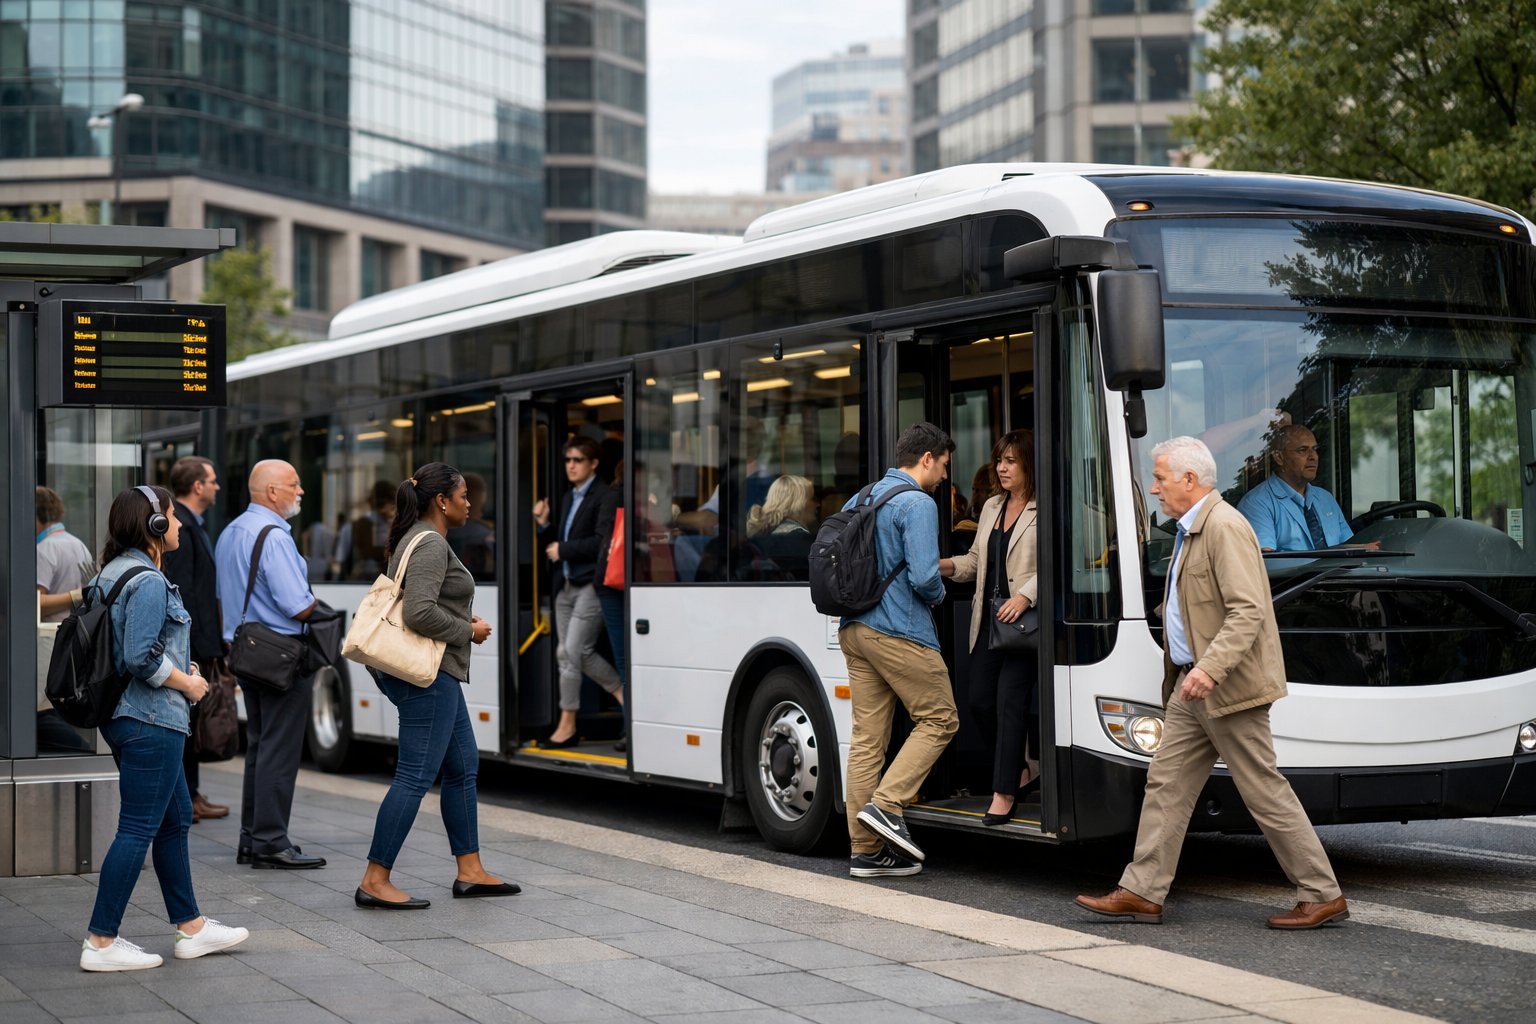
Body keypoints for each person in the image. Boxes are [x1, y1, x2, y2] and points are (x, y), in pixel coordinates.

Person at [1075, 436, 1349, 929]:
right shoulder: (1190, 529)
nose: (1154, 488)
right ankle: (1141, 890)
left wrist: (1209, 668)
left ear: (1188, 480)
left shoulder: (1224, 527)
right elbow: (1203, 599)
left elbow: (1248, 611)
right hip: (1191, 686)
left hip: (1225, 685)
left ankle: (1321, 893)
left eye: (1159, 478)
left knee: (1263, 789)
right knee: (1166, 784)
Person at [79, 485, 249, 971]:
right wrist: (189, 684)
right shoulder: (148, 581)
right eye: (172, 518)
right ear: (154, 526)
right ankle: (101, 941)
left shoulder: (110, 573)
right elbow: (139, 657)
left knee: (174, 821)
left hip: (130, 718)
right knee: (136, 829)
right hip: (151, 718)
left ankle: (190, 928)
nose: (177, 526)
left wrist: (179, 668)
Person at [355, 463, 518, 909]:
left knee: (463, 767)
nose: (470, 502)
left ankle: (470, 870)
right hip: (428, 677)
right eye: (464, 495)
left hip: (437, 675)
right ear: (441, 502)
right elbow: (418, 614)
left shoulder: (422, 539)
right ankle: (375, 878)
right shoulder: (429, 545)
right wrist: (468, 629)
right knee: (414, 775)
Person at [840, 421, 959, 879]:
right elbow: (926, 577)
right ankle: (888, 806)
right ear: (926, 459)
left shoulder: (862, 497)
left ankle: (864, 852)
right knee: (940, 718)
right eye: (944, 465)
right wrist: (938, 598)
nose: (945, 475)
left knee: (868, 740)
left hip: (855, 629)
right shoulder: (917, 503)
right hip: (899, 631)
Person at [215, 460, 325, 869]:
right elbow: (296, 605)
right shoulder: (274, 537)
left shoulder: (231, 531)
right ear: (272, 492)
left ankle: (253, 836)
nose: (300, 492)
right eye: (294, 485)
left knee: (261, 747)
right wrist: (324, 613)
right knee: (279, 750)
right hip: (281, 655)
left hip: (246, 651)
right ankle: (270, 841)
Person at [940, 429, 1039, 826]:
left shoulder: (1043, 506)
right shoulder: (992, 507)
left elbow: (1060, 562)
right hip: (989, 622)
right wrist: (941, 566)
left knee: (1010, 703)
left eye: (1010, 461)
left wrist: (1026, 596)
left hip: (1023, 625)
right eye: (999, 460)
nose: (1001, 468)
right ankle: (1020, 768)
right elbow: (975, 562)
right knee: (980, 702)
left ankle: (1004, 792)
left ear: (1028, 464)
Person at [533, 437, 622, 747]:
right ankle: (567, 723)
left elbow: (601, 542)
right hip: (566, 587)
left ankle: (625, 697)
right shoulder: (570, 497)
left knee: (576, 650)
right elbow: (561, 541)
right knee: (565, 655)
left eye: (578, 460)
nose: (570, 465)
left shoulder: (604, 495)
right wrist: (544, 527)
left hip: (589, 586)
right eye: (568, 459)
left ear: (593, 463)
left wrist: (564, 549)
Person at [160, 457, 228, 824]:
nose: (217, 486)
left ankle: (190, 792)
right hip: (192, 642)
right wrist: (200, 645)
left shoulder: (193, 524)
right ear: (197, 486)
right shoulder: (180, 527)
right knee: (188, 720)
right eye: (212, 481)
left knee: (193, 718)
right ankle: (185, 792)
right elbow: (186, 591)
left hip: (199, 639)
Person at [36, 486, 97, 754]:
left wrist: (73, 596)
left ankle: (76, 751)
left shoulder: (44, 548)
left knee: (45, 709)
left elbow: (34, 604)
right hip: (75, 640)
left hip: (49, 641)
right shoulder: (78, 544)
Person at [1236, 424, 1352, 551]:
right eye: (1303, 450)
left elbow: (1349, 548)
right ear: (1279, 457)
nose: (1313, 456)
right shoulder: (1256, 503)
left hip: (1337, 571)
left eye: (1315, 449)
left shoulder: (1326, 498)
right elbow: (1266, 562)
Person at [746, 474, 816, 578]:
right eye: (812, 498)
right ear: (799, 503)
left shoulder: (763, 534)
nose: (817, 504)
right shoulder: (797, 540)